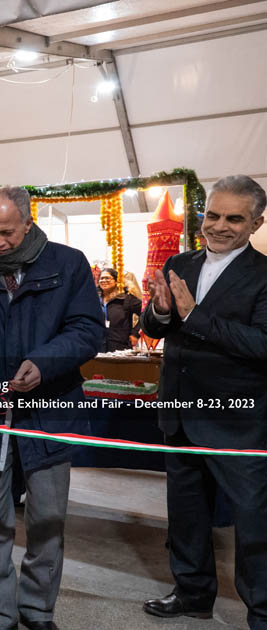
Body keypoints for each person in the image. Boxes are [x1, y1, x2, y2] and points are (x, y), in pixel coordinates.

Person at [0, 186, 103, 630]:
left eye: (7, 233)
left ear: (29, 224)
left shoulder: (67, 265)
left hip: (48, 413)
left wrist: (44, 363)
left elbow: (88, 329)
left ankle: (37, 609)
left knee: (47, 519)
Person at [141, 175, 267, 630]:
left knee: (254, 524)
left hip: (238, 424)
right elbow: (155, 327)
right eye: (212, 215)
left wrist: (194, 316)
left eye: (234, 219)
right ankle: (192, 593)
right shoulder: (180, 262)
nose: (219, 226)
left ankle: (262, 611)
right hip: (179, 415)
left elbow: (262, 344)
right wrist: (159, 311)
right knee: (187, 514)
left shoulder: (264, 275)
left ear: (256, 223)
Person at [96, 268, 141, 351]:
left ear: (116, 281)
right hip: (97, 345)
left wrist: (135, 333)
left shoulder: (126, 298)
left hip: (120, 346)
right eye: (101, 278)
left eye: (107, 278)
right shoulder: (94, 299)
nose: (104, 280)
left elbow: (144, 313)